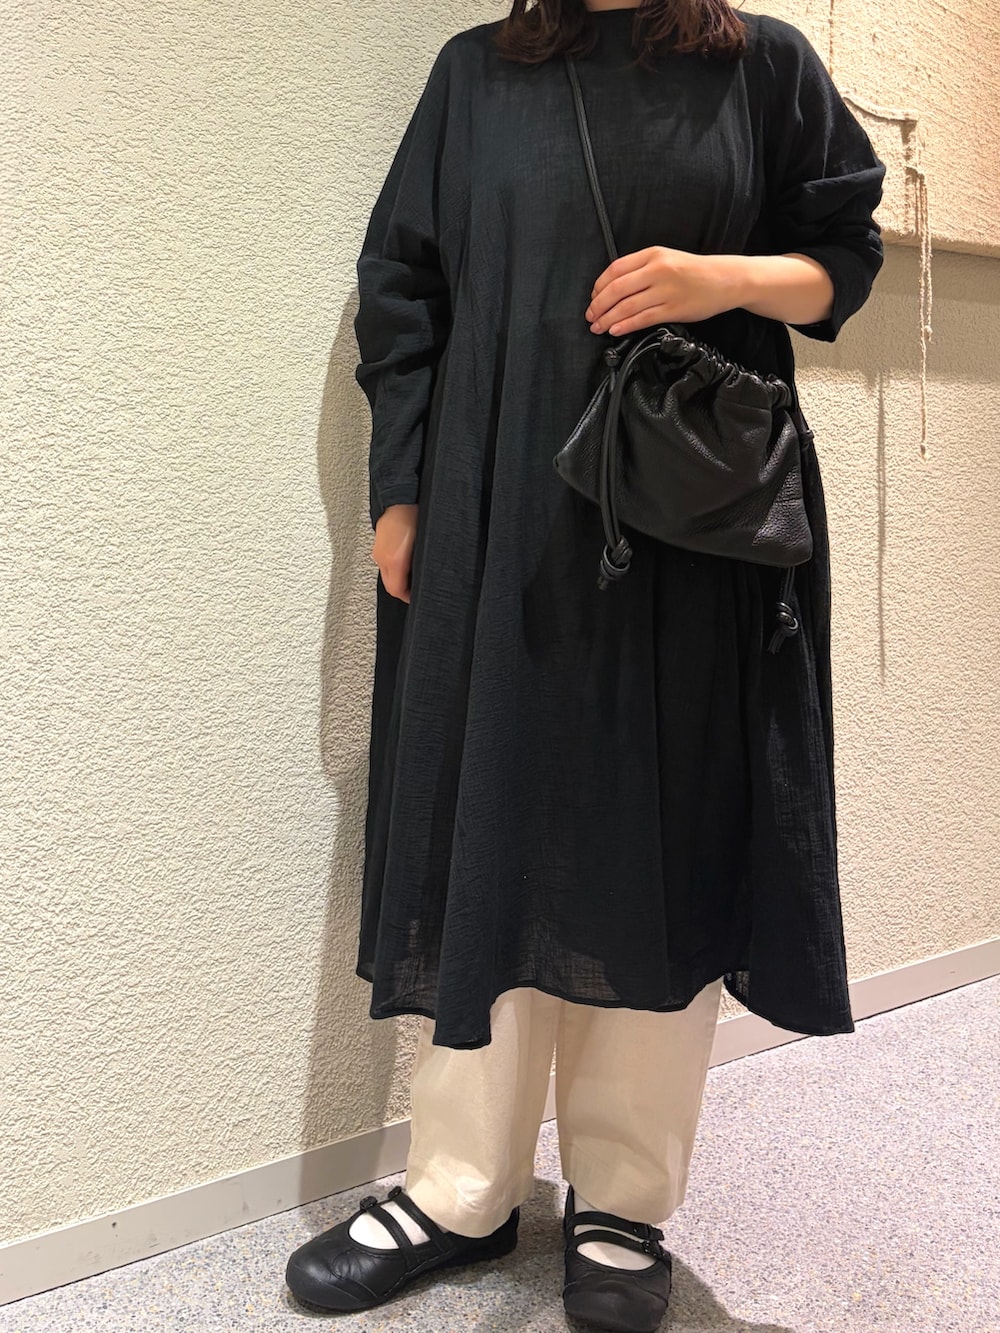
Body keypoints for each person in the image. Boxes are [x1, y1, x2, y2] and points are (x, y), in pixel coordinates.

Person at [285, 1, 886, 1328]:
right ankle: (461, 1188)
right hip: (494, 510)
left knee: (661, 839)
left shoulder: (763, 66)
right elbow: (402, 288)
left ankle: (622, 1196)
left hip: (690, 529)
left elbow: (845, 256)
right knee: (483, 824)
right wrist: (400, 491)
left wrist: (724, 279)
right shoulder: (476, 74)